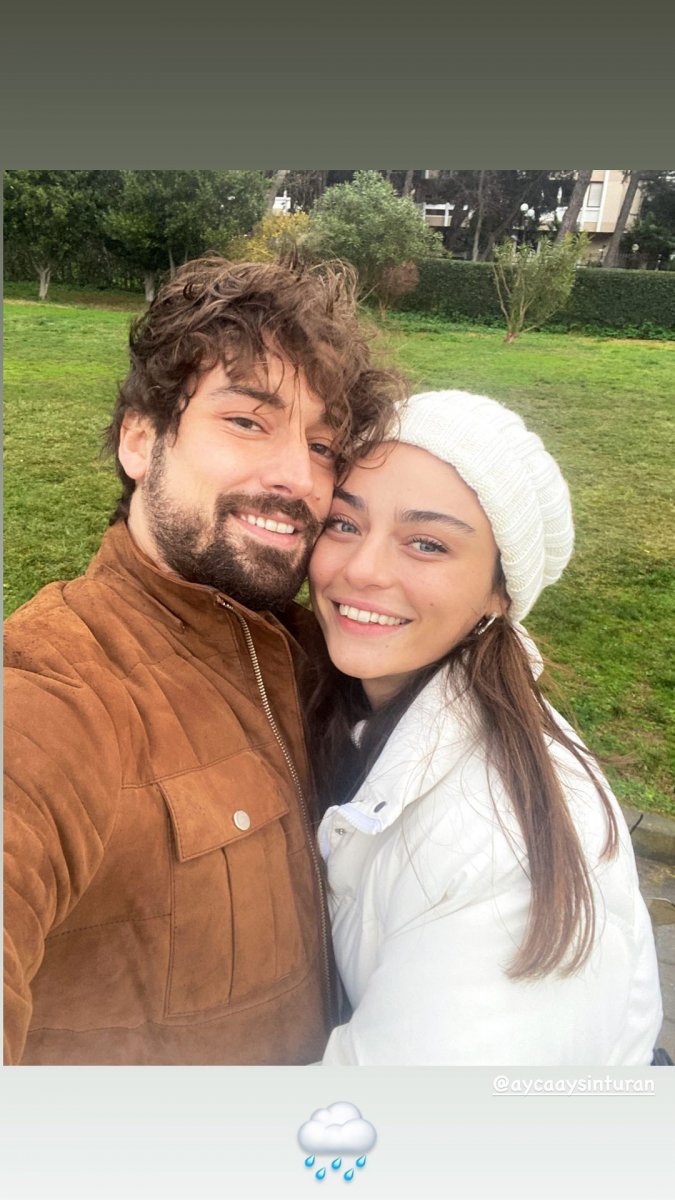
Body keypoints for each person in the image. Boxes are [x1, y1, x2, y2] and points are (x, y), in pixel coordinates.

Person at [3, 256, 402, 1065]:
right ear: (140, 440)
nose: (299, 479)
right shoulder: (54, 690)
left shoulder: (312, 651)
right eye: (247, 421)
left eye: (323, 445)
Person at [308, 389, 663, 1064]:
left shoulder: (500, 852)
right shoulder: (352, 703)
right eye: (344, 523)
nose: (361, 569)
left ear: (500, 592)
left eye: (426, 543)